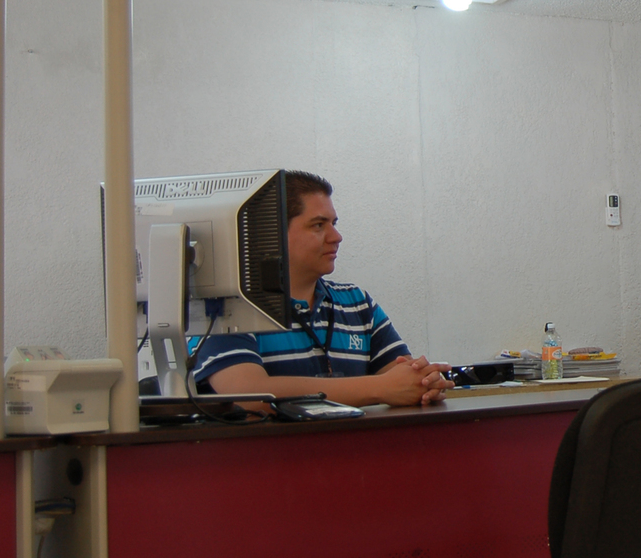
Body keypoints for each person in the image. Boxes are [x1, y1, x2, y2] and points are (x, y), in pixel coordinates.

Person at [192, 171, 454, 406]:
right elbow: (249, 394)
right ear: (273, 233)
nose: (336, 236)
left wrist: (425, 383)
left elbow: (404, 380)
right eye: (318, 225)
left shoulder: (357, 302)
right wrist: (380, 387)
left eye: (334, 223)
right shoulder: (227, 309)